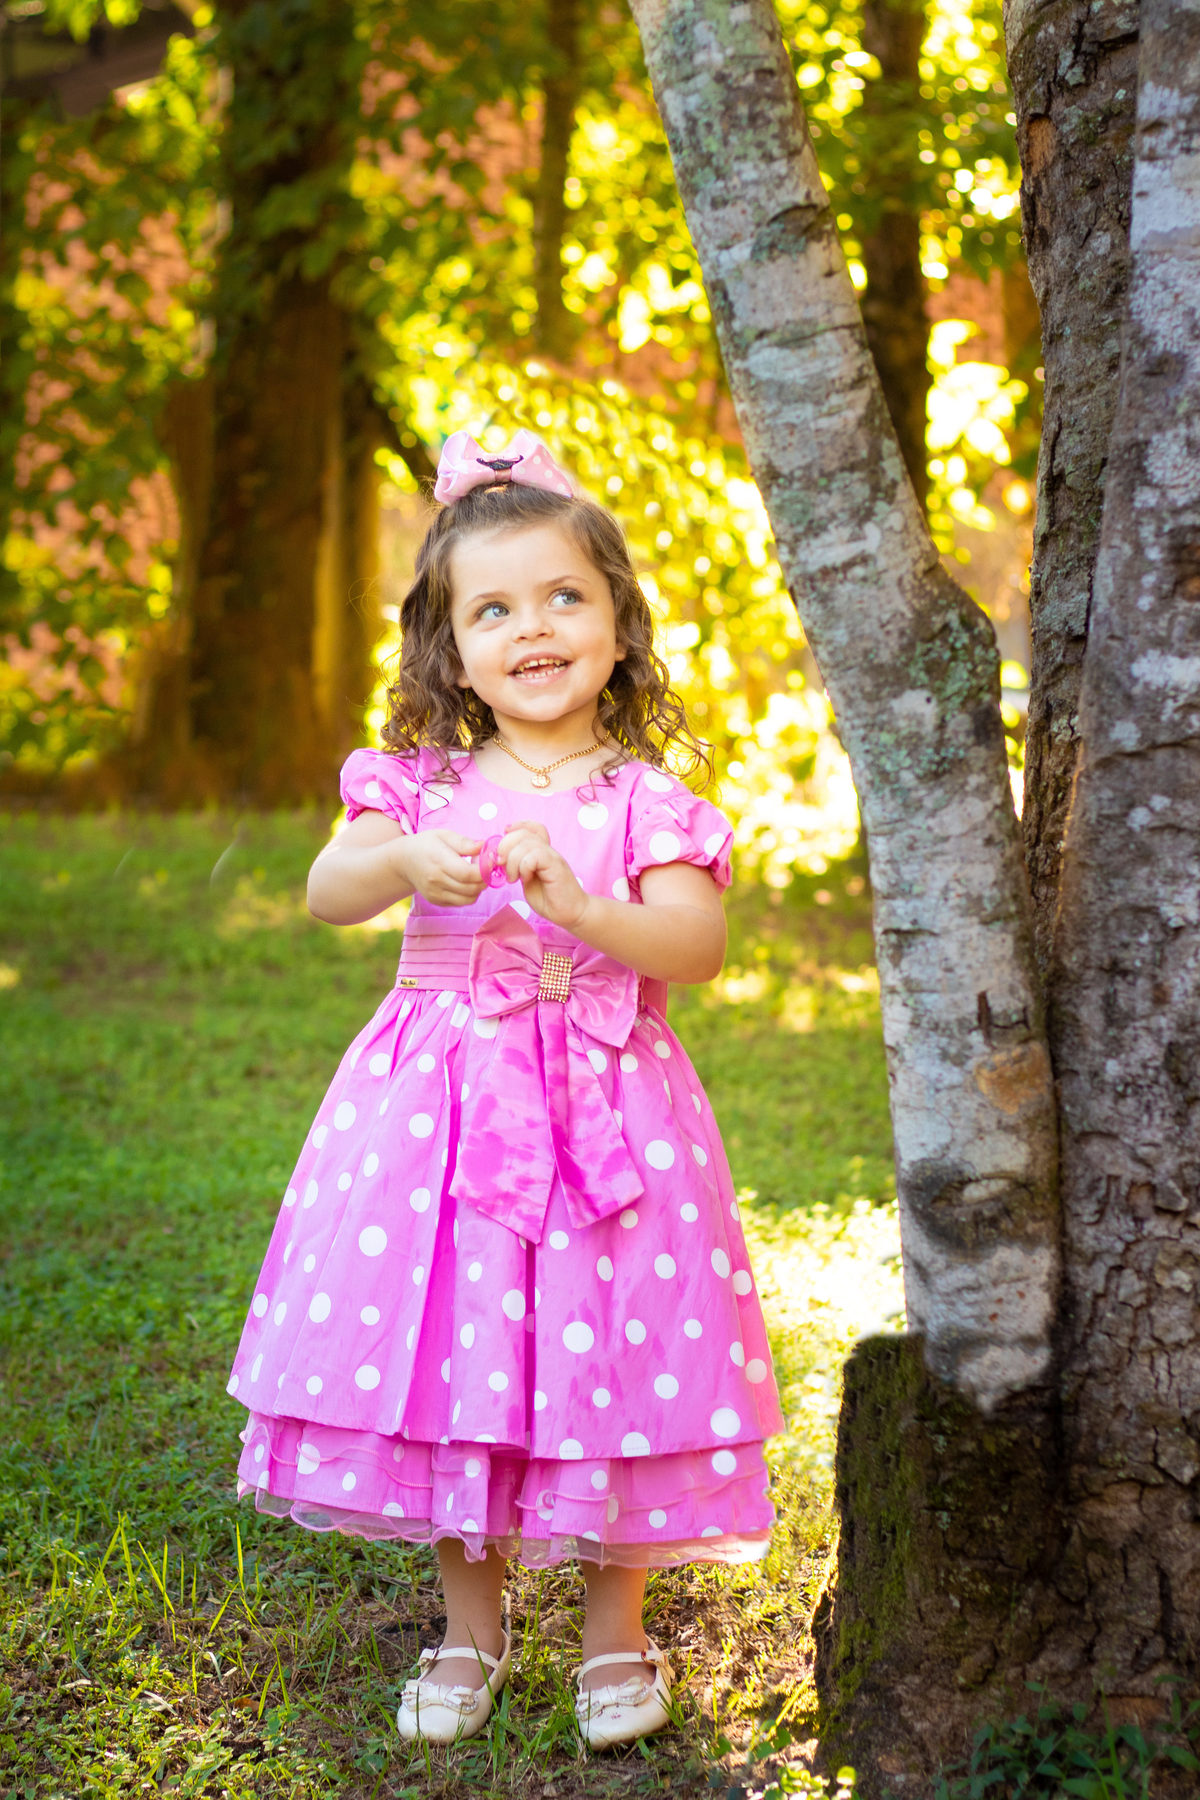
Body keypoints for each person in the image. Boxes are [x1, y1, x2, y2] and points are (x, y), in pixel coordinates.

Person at [226, 428, 784, 1751]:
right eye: (494, 608)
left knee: (612, 1348)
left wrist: (585, 905)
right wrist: (407, 860)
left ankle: (615, 1634)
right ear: (450, 647)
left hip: (609, 1112)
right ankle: (468, 1632)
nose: (532, 629)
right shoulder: (415, 783)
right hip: (442, 1115)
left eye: (563, 598)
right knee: (455, 1351)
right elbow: (326, 890)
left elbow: (694, 949)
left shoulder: (653, 800)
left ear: (616, 622)